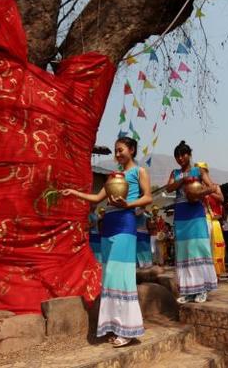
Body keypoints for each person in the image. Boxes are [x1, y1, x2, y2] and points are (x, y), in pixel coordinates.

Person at [61, 137, 152, 347]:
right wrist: (73, 193)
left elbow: (147, 198)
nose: (118, 154)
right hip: (108, 225)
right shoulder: (113, 177)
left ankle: (128, 330)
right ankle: (114, 326)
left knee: (122, 276)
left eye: (121, 150)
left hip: (125, 225)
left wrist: (128, 203)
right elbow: (96, 199)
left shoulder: (139, 172)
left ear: (132, 150)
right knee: (110, 275)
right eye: (116, 151)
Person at [165, 141, 218, 303]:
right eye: (177, 156)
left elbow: (213, 187)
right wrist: (182, 181)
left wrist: (198, 193)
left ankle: (202, 289)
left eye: (183, 154)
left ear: (189, 154)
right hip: (181, 214)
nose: (180, 158)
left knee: (198, 248)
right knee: (184, 251)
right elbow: (169, 188)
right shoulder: (175, 173)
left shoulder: (199, 170)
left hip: (195, 212)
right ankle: (188, 291)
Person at [195, 162, 227, 278]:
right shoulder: (195, 188)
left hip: (214, 221)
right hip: (202, 220)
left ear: (206, 172)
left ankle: (216, 274)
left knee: (216, 248)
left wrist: (209, 191)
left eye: (201, 171)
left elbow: (221, 198)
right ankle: (205, 274)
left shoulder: (215, 186)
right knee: (203, 247)